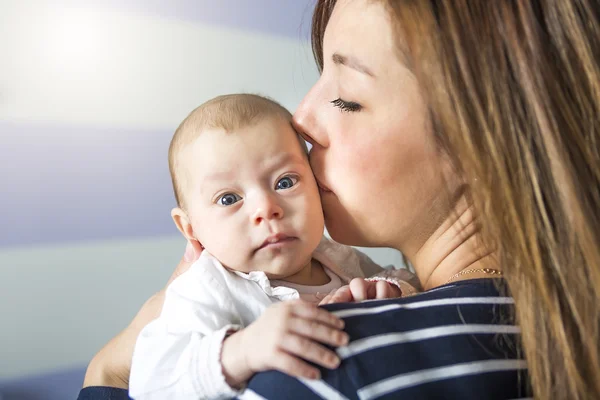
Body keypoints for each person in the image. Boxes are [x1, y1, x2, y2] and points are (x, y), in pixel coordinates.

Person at [78, 0, 600, 399]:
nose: (300, 120)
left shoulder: (317, 362)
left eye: (347, 99)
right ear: (187, 225)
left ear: (479, 144)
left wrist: (105, 374)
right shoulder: (555, 329)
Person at [128, 94, 417, 399]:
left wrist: (388, 290)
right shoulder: (208, 288)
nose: (266, 208)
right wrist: (241, 351)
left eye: (285, 182)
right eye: (229, 199)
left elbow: (418, 285)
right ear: (191, 229)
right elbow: (150, 382)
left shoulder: (336, 257)